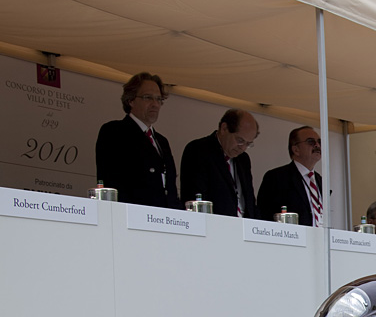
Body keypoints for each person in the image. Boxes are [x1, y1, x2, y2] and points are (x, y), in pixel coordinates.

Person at [95, 72, 180, 209]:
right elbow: (112, 184)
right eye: (148, 98)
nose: (155, 104)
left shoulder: (162, 142)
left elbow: (170, 189)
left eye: (158, 99)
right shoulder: (114, 132)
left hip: (166, 221)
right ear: (131, 100)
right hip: (133, 220)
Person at [180, 109, 259, 218]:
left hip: (243, 229)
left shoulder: (243, 160)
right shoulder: (199, 150)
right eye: (240, 140)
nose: (243, 148)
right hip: (213, 226)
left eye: (248, 144)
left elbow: (249, 201)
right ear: (224, 128)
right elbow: (196, 198)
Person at [257, 126, 323, 226]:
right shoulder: (276, 178)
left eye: (319, 142)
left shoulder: (320, 180)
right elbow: (264, 216)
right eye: (311, 142)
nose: (317, 145)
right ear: (296, 149)